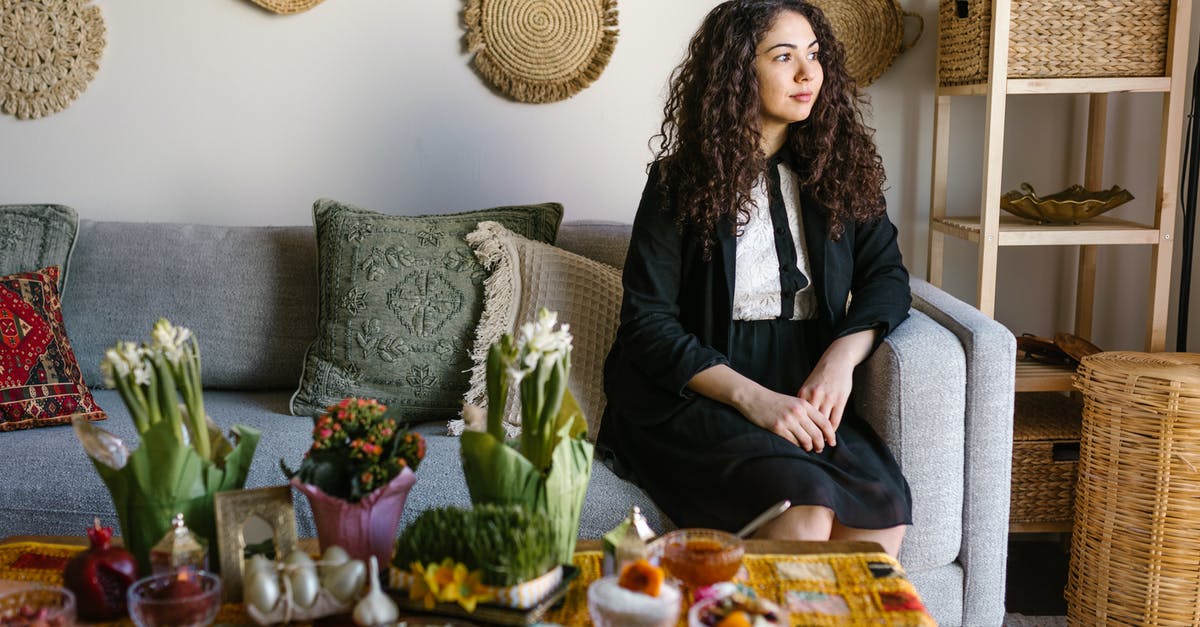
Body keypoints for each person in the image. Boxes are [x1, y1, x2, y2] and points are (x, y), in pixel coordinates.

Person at [597, 0, 912, 556]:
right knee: (805, 510)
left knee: (883, 514)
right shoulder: (677, 182)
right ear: (739, 71)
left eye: (813, 56)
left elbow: (887, 277)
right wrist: (756, 400)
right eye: (784, 57)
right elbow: (647, 325)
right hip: (702, 386)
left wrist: (839, 361)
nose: (808, 73)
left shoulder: (841, 168)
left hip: (800, 373)